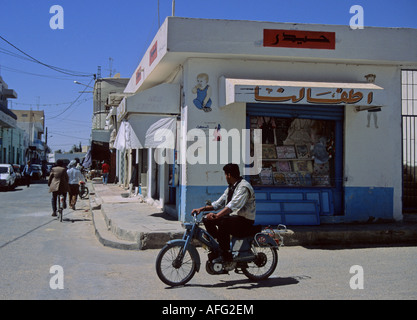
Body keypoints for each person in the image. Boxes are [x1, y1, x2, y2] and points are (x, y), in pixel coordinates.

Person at [191, 163, 256, 263]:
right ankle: (218, 245)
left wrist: (217, 215)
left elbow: (232, 206)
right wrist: (201, 209)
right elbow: (218, 203)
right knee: (206, 219)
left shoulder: (243, 187)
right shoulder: (231, 187)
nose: (225, 177)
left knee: (223, 222)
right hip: (234, 218)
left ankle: (226, 254)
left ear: (229, 175)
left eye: (225, 174)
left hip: (244, 220)